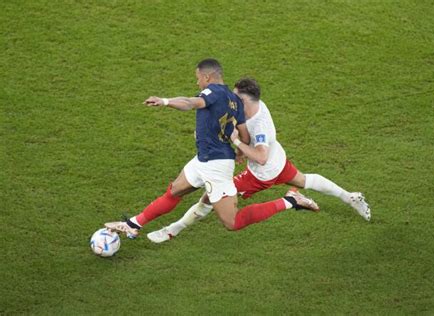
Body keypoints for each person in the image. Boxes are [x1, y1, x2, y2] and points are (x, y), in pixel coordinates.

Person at [105, 59, 318, 238]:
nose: (197, 81)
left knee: (232, 222)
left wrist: (165, 101)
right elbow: (244, 134)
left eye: (198, 77)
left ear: (207, 77)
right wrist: (238, 151)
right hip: (205, 158)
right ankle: (133, 225)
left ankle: (290, 201)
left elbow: (190, 103)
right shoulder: (235, 100)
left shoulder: (212, 92)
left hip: (216, 166)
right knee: (175, 190)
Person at [147, 77, 371, 243]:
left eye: (236, 97)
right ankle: (349, 197)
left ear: (245, 99)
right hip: (278, 161)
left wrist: (237, 143)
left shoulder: (260, 125)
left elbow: (261, 157)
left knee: (210, 198)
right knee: (304, 179)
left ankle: (172, 229)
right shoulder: (250, 109)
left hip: (261, 173)